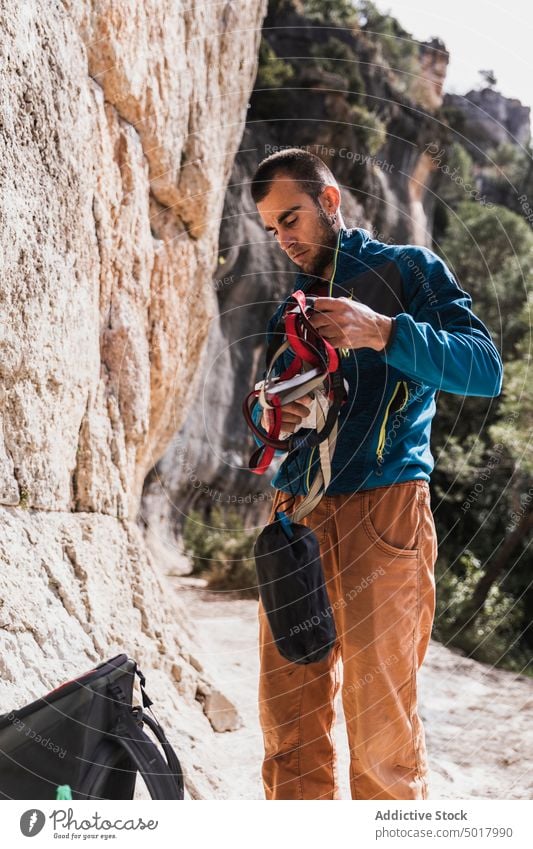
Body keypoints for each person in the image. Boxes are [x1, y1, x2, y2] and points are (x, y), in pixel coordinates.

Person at [248, 148, 503, 801]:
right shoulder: (292, 304)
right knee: (288, 732)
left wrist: (385, 331)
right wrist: (280, 408)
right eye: (273, 228)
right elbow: (274, 411)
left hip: (384, 510)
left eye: (292, 217)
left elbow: (483, 368)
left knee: (379, 743)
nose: (285, 238)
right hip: (294, 515)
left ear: (329, 201)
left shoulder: (408, 270)